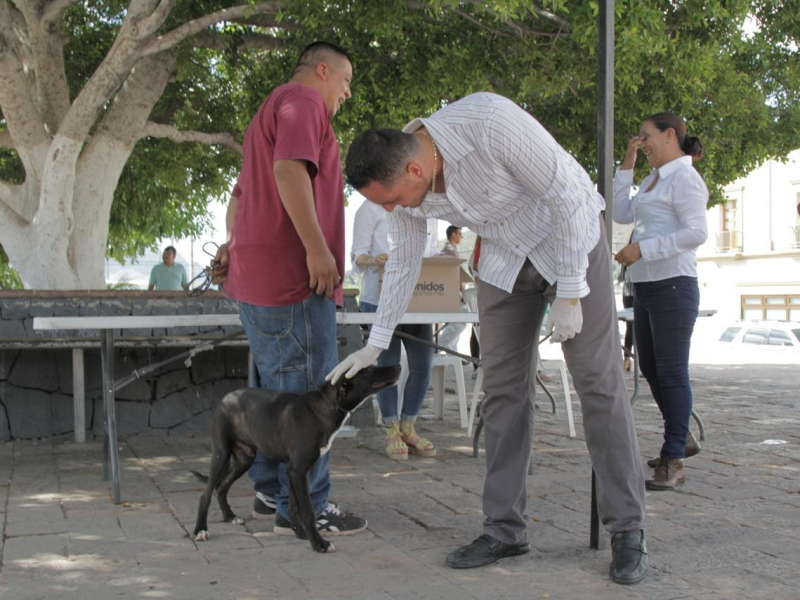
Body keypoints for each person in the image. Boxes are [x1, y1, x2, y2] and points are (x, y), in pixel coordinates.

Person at [328, 92, 648, 584]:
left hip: (569, 239)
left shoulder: (489, 122)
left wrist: (570, 289)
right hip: (503, 258)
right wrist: (378, 339)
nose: (391, 209)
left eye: (390, 199)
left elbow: (567, 194)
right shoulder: (405, 192)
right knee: (502, 392)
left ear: (414, 172)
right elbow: (404, 262)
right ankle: (504, 529)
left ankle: (627, 529)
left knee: (598, 382)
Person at [209, 41, 366, 537]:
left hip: (256, 279)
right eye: (345, 82)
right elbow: (287, 171)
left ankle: (267, 492)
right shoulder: (304, 102)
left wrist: (232, 245)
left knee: (271, 395)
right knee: (306, 401)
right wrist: (318, 250)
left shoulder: (269, 110)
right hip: (291, 281)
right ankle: (304, 509)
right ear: (323, 71)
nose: (346, 94)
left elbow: (241, 195)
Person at [613, 112, 708, 491]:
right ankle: (680, 437)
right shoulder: (654, 179)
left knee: (670, 372)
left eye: (645, 136)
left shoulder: (685, 178)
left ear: (670, 135)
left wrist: (643, 249)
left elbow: (697, 232)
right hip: (648, 287)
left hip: (674, 285)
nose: (642, 142)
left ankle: (674, 459)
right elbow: (620, 212)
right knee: (651, 370)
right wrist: (628, 164)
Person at [351, 201, 439, 460]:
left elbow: (430, 253)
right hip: (379, 298)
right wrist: (373, 260)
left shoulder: (426, 207)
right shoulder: (369, 208)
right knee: (387, 367)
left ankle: (408, 426)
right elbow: (358, 256)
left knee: (423, 365)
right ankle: (390, 429)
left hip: (418, 298)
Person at [437, 225, 467, 354]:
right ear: (453, 234)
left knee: (455, 322)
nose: (462, 237)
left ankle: (452, 352)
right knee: (462, 320)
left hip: (451, 291)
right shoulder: (449, 250)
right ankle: (440, 345)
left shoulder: (450, 249)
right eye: (460, 234)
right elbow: (454, 272)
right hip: (452, 292)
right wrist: (461, 289)